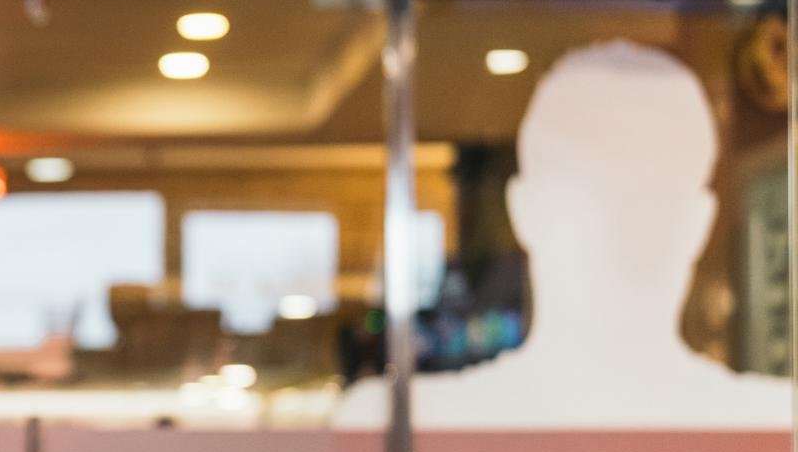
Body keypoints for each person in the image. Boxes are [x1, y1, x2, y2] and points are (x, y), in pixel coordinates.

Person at [335, 40, 790, 430]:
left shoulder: (772, 424)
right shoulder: (404, 425)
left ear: (699, 221)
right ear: (525, 209)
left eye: (647, 191)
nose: (616, 225)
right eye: (589, 188)